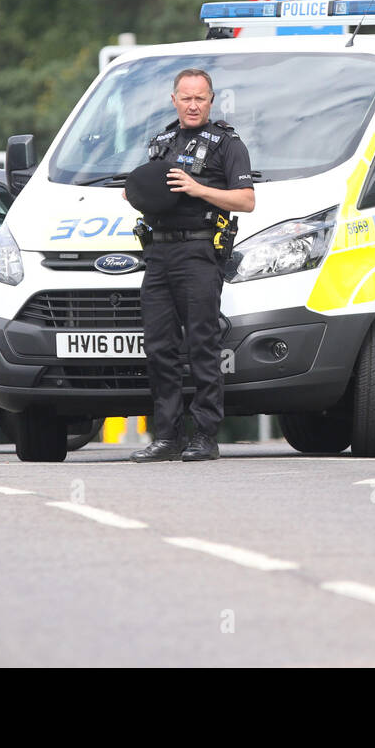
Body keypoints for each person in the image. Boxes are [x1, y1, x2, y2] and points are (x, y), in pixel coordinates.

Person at [125, 68, 255, 462]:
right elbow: (147, 192)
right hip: (158, 254)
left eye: (201, 98)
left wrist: (198, 189)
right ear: (174, 100)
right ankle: (167, 436)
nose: (193, 104)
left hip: (199, 253)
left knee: (202, 345)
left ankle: (205, 436)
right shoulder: (161, 142)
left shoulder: (227, 144)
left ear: (212, 100)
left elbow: (246, 201)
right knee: (158, 347)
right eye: (186, 97)